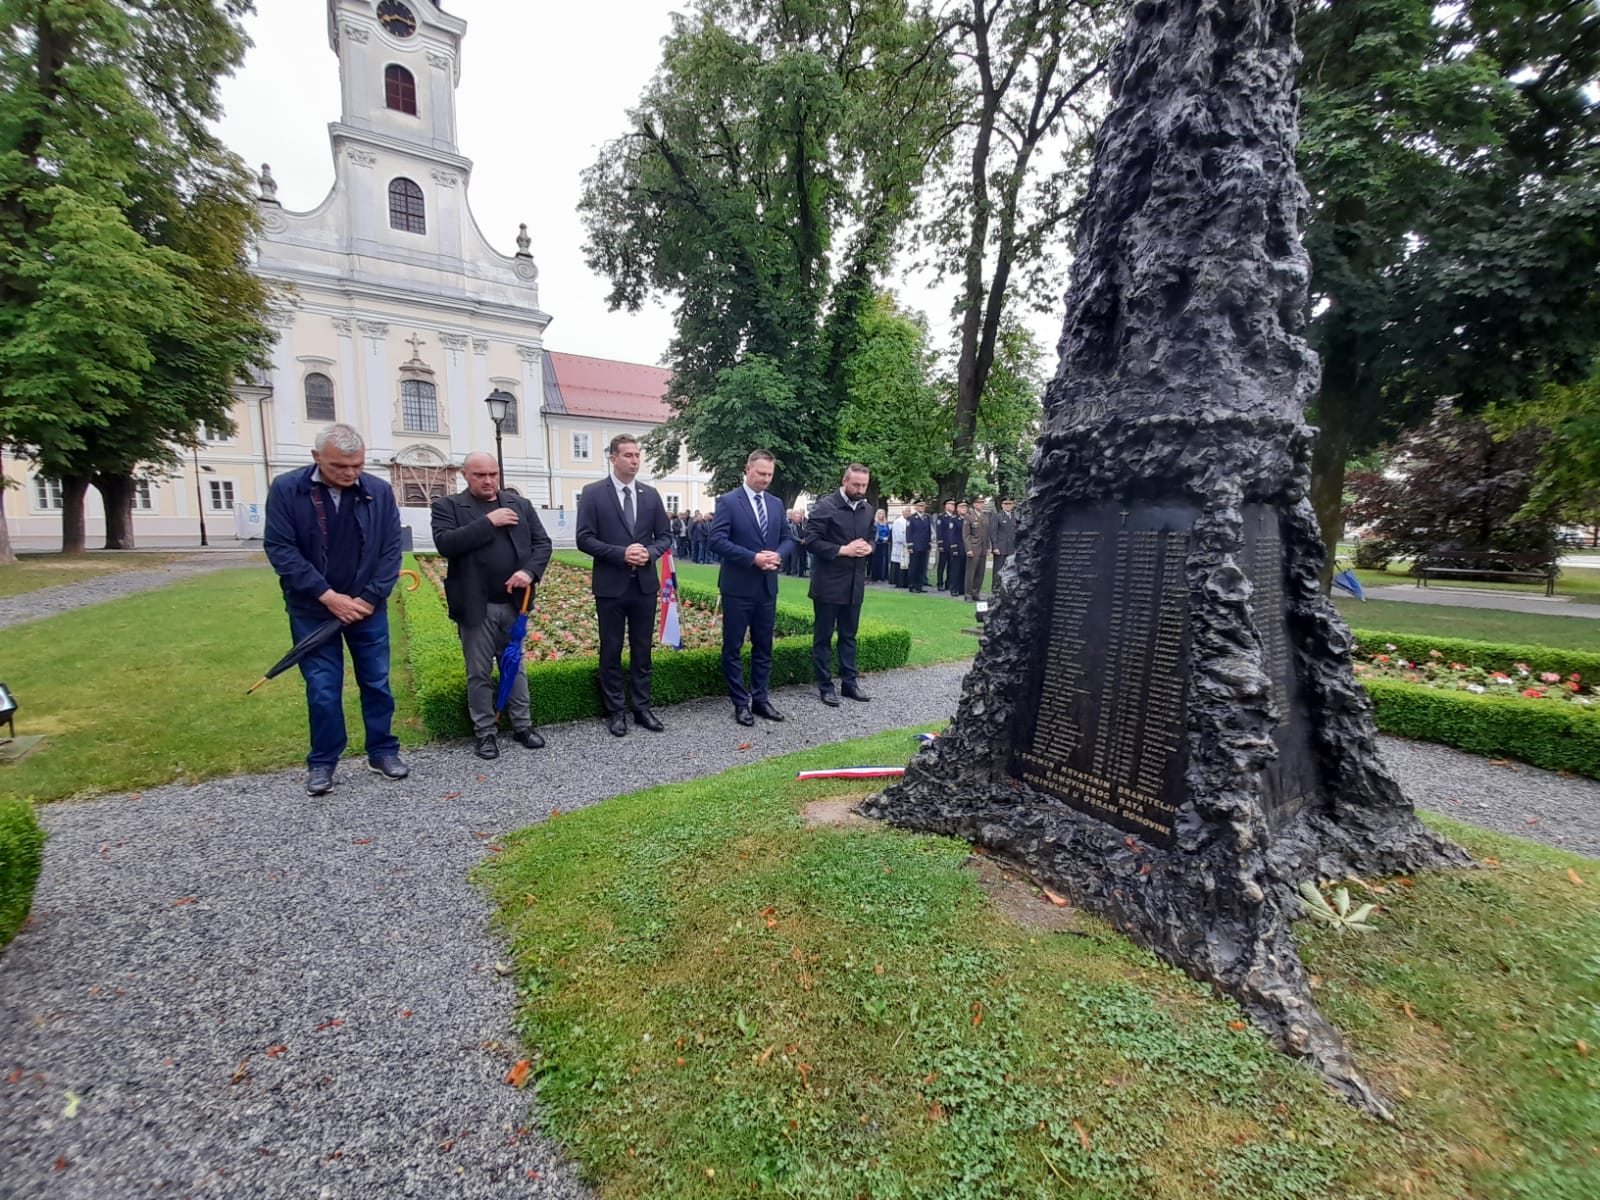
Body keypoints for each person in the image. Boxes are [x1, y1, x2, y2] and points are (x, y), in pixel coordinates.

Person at [264, 423, 408, 796]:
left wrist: (369, 598)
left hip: (366, 608)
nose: (349, 473)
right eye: (339, 466)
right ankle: (324, 761)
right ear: (316, 459)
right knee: (323, 689)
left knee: (376, 682)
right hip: (314, 608)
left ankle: (382, 751)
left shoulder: (378, 491)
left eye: (356, 465)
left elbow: (392, 550)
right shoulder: (287, 489)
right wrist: (328, 596)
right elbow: (281, 549)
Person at [431, 451, 553, 761]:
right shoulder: (448, 507)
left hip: (513, 604)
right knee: (479, 672)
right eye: (479, 475)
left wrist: (529, 572)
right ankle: (485, 733)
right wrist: (488, 521)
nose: (488, 480)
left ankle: (522, 726)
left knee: (515, 666)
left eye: (493, 474)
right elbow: (446, 544)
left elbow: (543, 544)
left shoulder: (519, 505)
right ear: (464, 475)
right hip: (476, 605)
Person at [575, 434, 674, 736]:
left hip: (643, 585)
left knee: (642, 649)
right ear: (613, 458)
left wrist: (650, 553)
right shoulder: (593, 494)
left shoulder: (650, 494)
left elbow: (665, 537)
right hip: (611, 586)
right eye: (628, 455)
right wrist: (621, 553)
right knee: (611, 649)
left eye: (637, 455)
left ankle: (642, 708)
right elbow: (584, 538)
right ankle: (616, 711)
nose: (634, 460)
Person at [709, 450, 793, 726]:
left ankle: (760, 699)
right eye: (761, 474)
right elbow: (717, 541)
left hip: (767, 587)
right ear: (747, 469)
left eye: (770, 475)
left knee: (763, 648)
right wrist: (753, 558)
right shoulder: (729, 501)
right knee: (733, 648)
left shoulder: (776, 504)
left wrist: (777, 555)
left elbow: (787, 538)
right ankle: (739, 703)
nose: (766, 479)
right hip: (738, 588)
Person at [803, 463, 876, 705]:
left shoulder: (867, 509)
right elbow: (811, 541)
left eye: (864, 485)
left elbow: (872, 537)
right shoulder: (826, 507)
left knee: (849, 635)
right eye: (856, 484)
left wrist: (870, 547)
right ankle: (825, 686)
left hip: (855, 583)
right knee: (823, 637)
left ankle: (849, 683)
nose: (860, 488)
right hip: (828, 583)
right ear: (844, 481)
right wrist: (842, 550)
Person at [963, 497, 992, 601]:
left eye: (982, 503)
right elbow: (966, 535)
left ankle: (976, 593)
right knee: (971, 573)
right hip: (974, 548)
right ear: (974, 505)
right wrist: (968, 549)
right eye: (979, 503)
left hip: (983, 548)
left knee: (980, 572)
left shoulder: (984, 517)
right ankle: (968, 594)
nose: (981, 505)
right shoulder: (969, 517)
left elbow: (987, 534)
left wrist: (988, 547)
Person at [990, 497, 1018, 590]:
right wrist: (995, 547)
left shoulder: (1016, 516)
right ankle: (995, 589)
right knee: (998, 570)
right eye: (1006, 504)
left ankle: (1007, 590)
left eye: (1010, 504)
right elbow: (993, 533)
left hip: (1012, 548)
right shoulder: (997, 516)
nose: (1008, 506)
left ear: (1012, 505)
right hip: (1000, 548)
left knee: (1010, 570)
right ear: (1002, 505)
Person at [906, 499, 932, 593]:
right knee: (914, 566)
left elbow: (928, 531)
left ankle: (919, 585)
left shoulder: (927, 517)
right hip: (915, 546)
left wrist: (929, 543)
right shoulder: (911, 518)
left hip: (924, 545)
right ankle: (912, 585)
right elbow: (909, 533)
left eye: (923, 506)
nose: (922, 507)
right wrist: (910, 545)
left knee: (922, 566)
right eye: (920, 506)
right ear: (916, 507)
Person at [935, 499, 960, 592]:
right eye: (950, 504)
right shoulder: (941, 517)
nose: (952, 506)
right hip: (944, 545)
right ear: (946, 506)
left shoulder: (955, 517)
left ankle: (948, 583)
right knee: (941, 565)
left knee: (951, 566)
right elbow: (939, 531)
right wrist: (940, 544)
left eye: (954, 504)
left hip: (953, 546)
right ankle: (940, 583)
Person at [948, 501, 970, 596]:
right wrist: (954, 548)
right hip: (957, 547)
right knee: (955, 570)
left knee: (964, 570)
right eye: (961, 507)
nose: (964, 509)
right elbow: (952, 535)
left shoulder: (968, 519)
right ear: (957, 509)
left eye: (965, 507)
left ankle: (961, 588)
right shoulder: (954, 520)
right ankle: (954, 588)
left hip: (966, 548)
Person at [891, 506, 911, 587]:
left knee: (906, 564)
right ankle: (899, 582)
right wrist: (905, 542)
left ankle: (905, 582)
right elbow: (899, 534)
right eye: (906, 512)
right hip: (900, 546)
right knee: (899, 564)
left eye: (909, 512)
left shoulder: (909, 521)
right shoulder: (898, 521)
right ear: (903, 512)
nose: (908, 513)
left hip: (907, 547)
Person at [871, 508, 891, 583]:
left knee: (885, 559)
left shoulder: (886, 523)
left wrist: (887, 538)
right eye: (880, 514)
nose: (882, 516)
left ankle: (884, 575)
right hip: (878, 543)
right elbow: (875, 534)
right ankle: (877, 576)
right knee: (878, 560)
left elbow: (888, 532)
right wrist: (882, 538)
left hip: (885, 543)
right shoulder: (875, 523)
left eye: (883, 514)